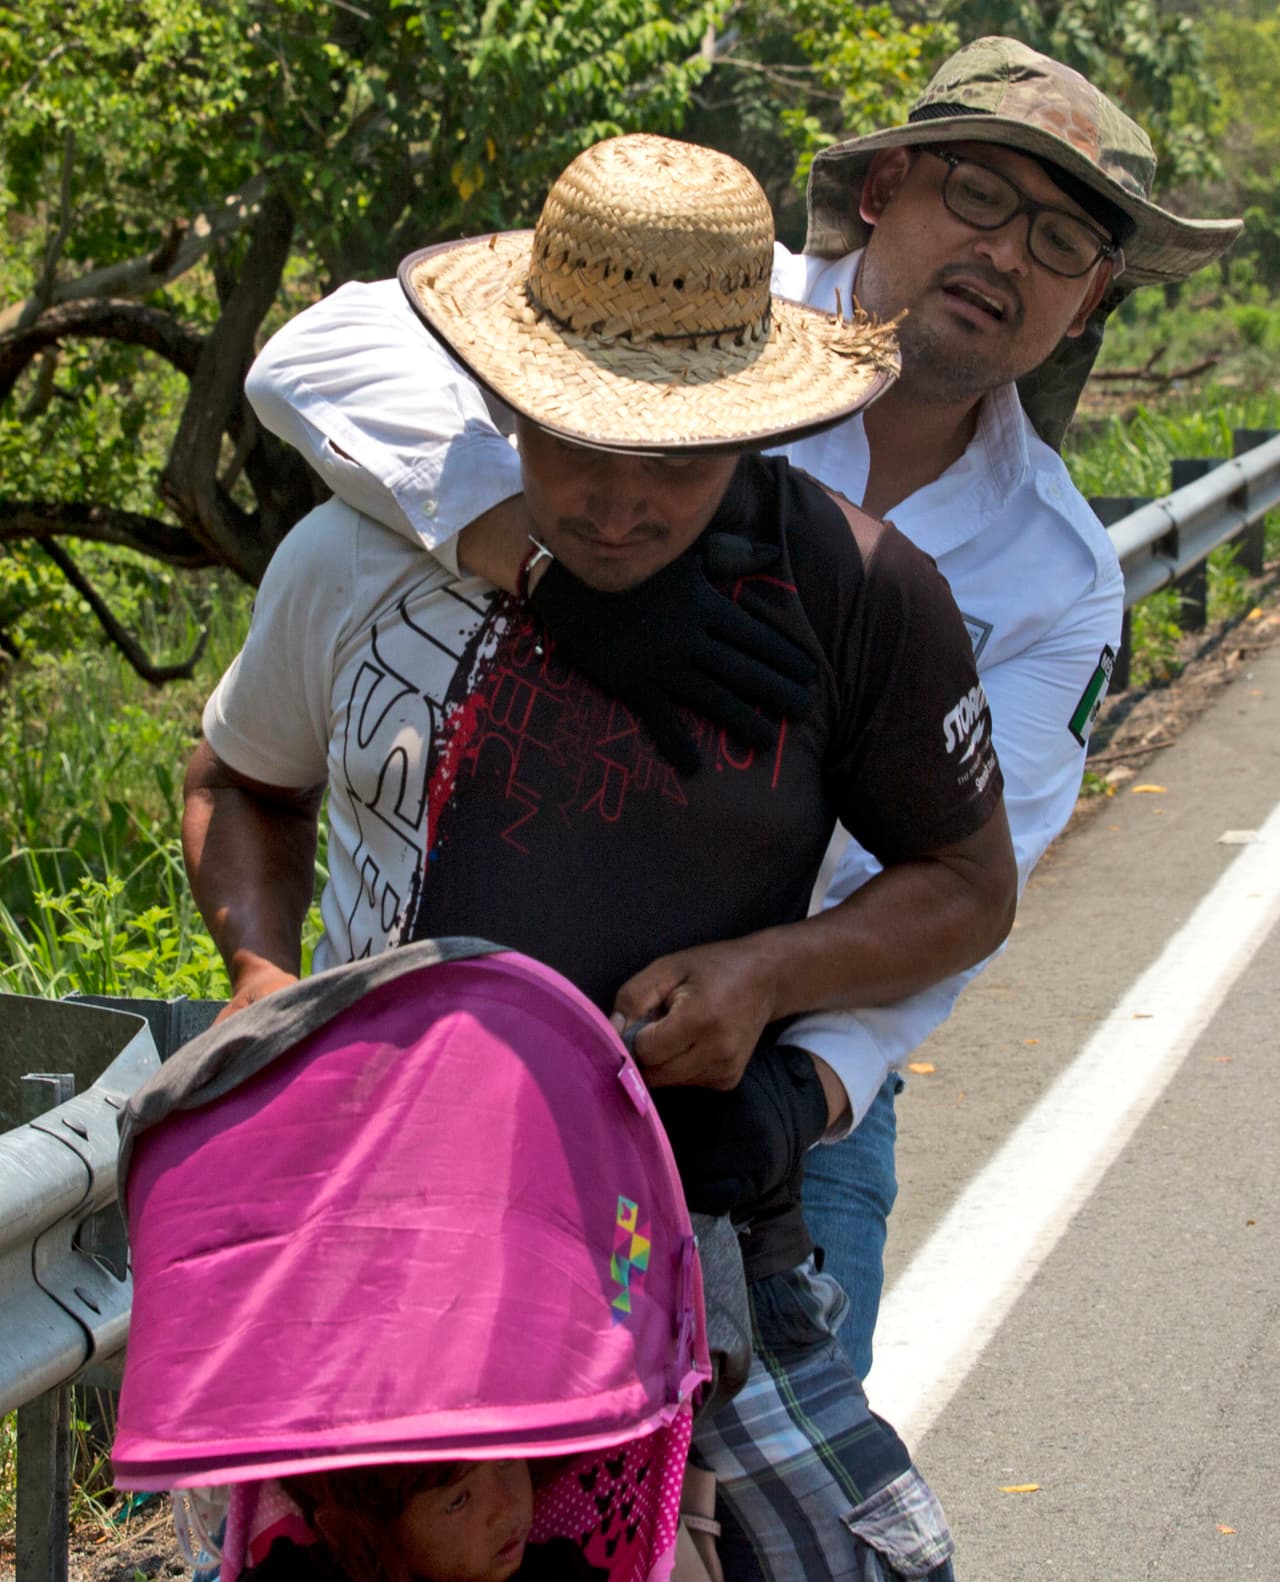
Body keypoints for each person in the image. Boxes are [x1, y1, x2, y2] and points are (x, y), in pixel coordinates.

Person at [242, 36, 1243, 1380]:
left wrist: (797, 1074)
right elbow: (314, 355)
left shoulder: (1057, 575)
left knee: (772, 1460)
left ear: (1093, 296)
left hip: (775, 1084)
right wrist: (537, 558)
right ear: (883, 188)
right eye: (978, 195)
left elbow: (959, 886)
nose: (1006, 254)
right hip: (467, 1032)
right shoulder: (695, 290)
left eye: (1062, 240)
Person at [186, 132, 1018, 1580]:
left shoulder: (857, 594)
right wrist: (262, 981)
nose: (620, 502)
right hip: (380, 1219)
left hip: (688, 1225)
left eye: (677, 459)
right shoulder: (357, 560)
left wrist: (769, 973)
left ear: (751, 422)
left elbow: (968, 884)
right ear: (505, 394)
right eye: (574, 440)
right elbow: (242, 782)